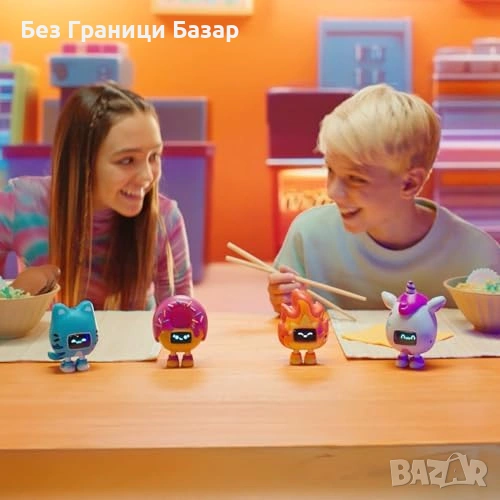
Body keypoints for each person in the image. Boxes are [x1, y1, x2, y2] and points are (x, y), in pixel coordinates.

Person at [268, 83, 500, 312]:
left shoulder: (479, 258)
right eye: (330, 170)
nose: (333, 192)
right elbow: (292, 316)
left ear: (410, 183)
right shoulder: (307, 235)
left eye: (356, 178)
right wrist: (283, 300)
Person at [0, 82, 192, 310]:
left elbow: (182, 317)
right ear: (82, 163)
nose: (147, 176)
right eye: (127, 160)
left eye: (154, 156)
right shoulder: (20, 204)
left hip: (132, 335)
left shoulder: (165, 219)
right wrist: (17, 294)